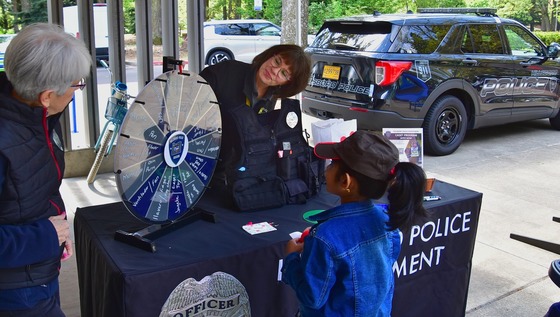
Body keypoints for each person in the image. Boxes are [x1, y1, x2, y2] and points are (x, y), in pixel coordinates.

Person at [281, 130, 428, 317]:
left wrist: (291, 258)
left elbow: (312, 297)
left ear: (346, 181)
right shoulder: (386, 221)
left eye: (333, 162)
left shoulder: (324, 237)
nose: (328, 165)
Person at [0, 23, 92, 316]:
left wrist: (56, 235)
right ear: (46, 95)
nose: (77, 92)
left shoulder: (36, 116)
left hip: (36, 273)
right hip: (16, 292)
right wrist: (45, 236)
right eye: (77, 85)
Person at [199, 44, 311, 184]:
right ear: (270, 54)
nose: (274, 71)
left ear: (288, 83)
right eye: (277, 61)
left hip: (229, 173)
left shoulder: (271, 97)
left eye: (283, 73)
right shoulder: (225, 72)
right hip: (197, 158)